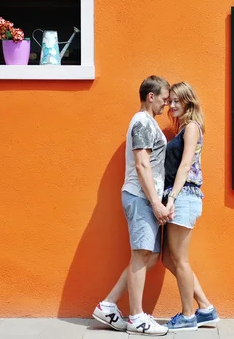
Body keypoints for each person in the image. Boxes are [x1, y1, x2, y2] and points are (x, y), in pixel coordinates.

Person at [92, 75, 173, 336]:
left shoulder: (148, 123)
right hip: (140, 198)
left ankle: (108, 304)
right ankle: (136, 318)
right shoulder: (142, 123)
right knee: (140, 255)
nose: (166, 104)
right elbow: (142, 165)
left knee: (147, 257)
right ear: (151, 96)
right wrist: (155, 204)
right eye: (164, 98)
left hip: (145, 198)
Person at [162, 82, 219, 331]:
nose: (172, 105)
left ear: (189, 102)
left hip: (184, 196)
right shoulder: (183, 129)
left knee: (180, 260)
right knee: (168, 258)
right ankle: (205, 308)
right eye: (170, 100)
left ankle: (188, 316)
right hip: (179, 195)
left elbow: (185, 166)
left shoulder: (192, 128)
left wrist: (172, 198)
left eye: (177, 101)